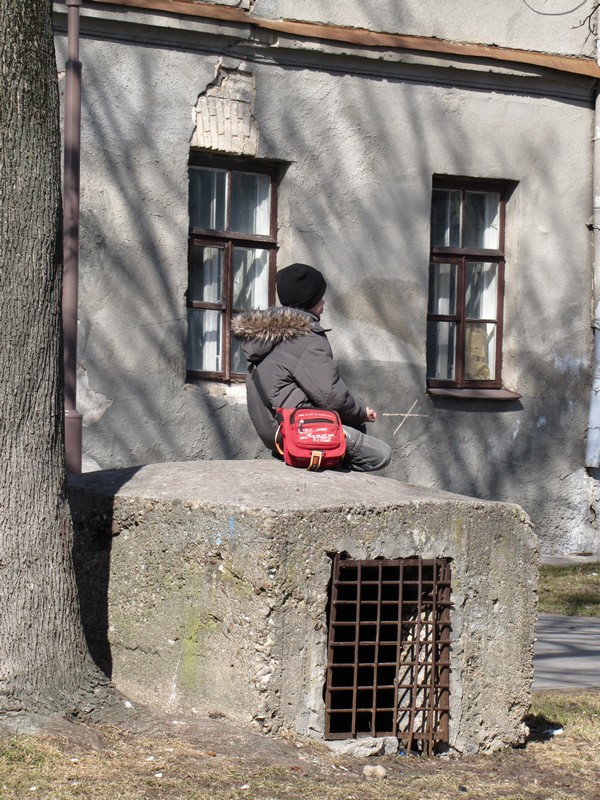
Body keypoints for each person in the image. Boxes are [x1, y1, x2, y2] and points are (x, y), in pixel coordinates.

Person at [232, 262, 392, 471]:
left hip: (275, 433)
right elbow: (332, 397)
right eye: (320, 296)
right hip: (300, 432)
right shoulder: (307, 338)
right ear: (310, 300)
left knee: (353, 429)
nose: (323, 302)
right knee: (381, 454)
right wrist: (362, 411)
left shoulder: (263, 339)